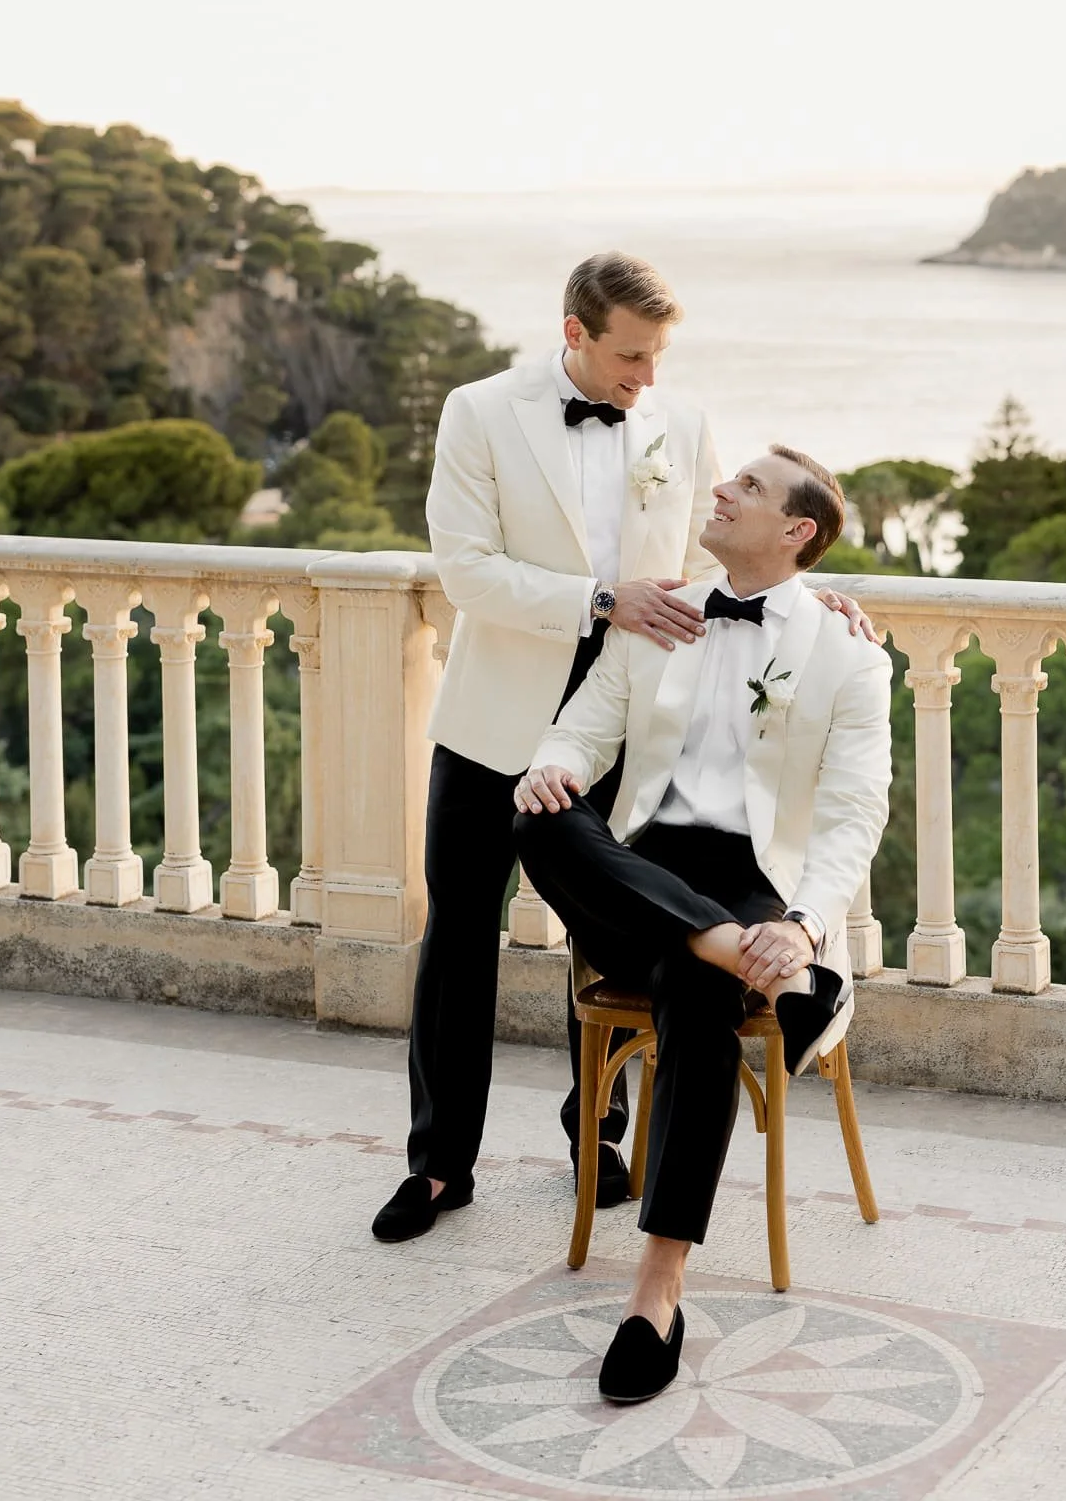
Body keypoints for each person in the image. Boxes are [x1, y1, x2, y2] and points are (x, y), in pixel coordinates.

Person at [372, 256, 869, 1244]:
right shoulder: (479, 410)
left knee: (606, 932)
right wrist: (599, 600)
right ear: (576, 333)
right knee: (459, 939)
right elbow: (466, 571)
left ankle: (595, 1141)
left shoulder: (679, 427)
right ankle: (437, 1165)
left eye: (657, 355)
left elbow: (713, 564)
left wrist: (817, 592)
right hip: (493, 724)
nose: (646, 375)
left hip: (630, 723)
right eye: (629, 355)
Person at [513, 445, 891, 1404]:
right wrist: (552, 760)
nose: (721, 490)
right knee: (540, 817)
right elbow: (586, 725)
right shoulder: (660, 617)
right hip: (641, 864)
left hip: (761, 883)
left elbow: (853, 815)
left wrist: (802, 928)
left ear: (796, 533)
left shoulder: (848, 654)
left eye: (749, 490)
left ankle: (657, 1290)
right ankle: (735, 957)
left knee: (695, 987)